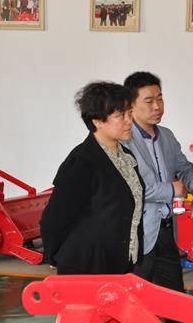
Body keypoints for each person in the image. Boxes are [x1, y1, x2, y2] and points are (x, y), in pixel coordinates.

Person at [121, 71, 193, 323]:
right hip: (138, 235)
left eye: (160, 99)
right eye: (149, 101)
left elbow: (185, 168)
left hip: (167, 231)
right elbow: (130, 189)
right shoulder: (124, 140)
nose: (157, 106)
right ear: (130, 105)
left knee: (177, 303)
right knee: (133, 304)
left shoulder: (166, 136)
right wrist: (172, 190)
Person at [40, 82, 144, 275]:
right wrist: (54, 255)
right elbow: (54, 218)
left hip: (120, 261)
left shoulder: (126, 157)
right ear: (97, 121)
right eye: (121, 115)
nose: (129, 121)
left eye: (130, 113)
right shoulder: (82, 161)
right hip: (86, 265)